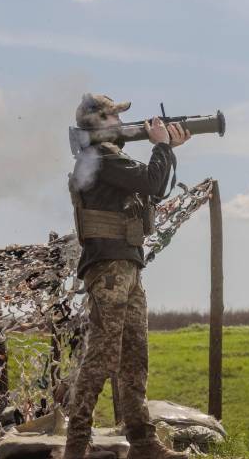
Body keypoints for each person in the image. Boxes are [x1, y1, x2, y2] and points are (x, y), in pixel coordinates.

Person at [62, 93, 191, 459]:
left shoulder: (108, 158)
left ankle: (143, 442)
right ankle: (76, 445)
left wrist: (168, 148)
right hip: (110, 270)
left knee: (135, 356)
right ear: (95, 123)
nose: (119, 123)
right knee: (102, 357)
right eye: (112, 117)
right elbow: (153, 182)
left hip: (127, 265)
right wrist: (162, 147)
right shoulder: (99, 158)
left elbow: (153, 184)